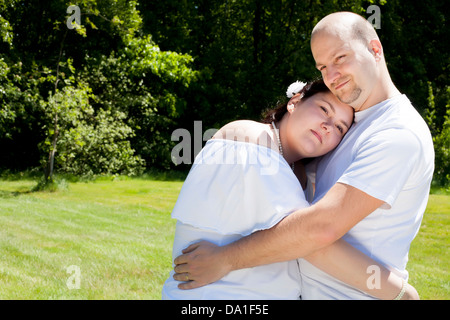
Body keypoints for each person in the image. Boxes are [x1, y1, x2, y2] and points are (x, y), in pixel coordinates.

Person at [173, 12, 433, 300]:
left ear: (374, 49)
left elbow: (317, 229)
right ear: (295, 101)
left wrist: (400, 294)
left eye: (340, 58)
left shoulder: (396, 132)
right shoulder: (278, 143)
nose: (332, 76)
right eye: (322, 66)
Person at [163, 79, 417, 300]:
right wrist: (399, 292)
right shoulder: (249, 138)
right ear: (294, 102)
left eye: (340, 128)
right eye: (324, 109)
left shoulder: (300, 173)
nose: (329, 126)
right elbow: (309, 239)